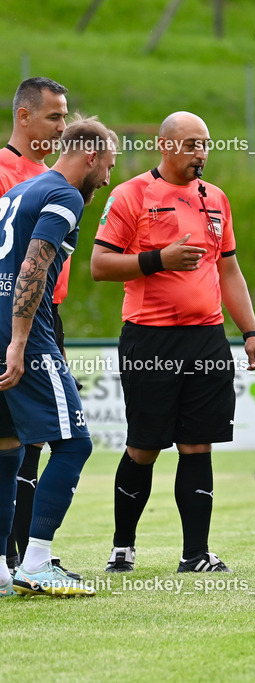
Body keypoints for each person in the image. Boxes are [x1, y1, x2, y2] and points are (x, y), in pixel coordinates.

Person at [91, 111, 255, 573]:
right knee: (144, 446)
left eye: (206, 144)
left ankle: (195, 554)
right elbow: (100, 265)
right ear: (166, 146)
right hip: (150, 340)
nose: (201, 153)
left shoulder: (217, 199)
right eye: (191, 144)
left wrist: (250, 332)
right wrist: (159, 260)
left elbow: (228, 269)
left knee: (198, 444)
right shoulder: (131, 194)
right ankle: (122, 547)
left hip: (207, 339)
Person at [0, 115, 118, 597]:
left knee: (7, 450)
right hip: (26, 333)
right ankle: (35, 561)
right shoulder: (64, 196)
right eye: (108, 165)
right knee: (74, 444)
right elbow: (34, 262)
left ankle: (2, 570)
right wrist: (20, 340)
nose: (108, 177)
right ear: (90, 157)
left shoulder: (16, 193)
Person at [0, 77, 76, 578]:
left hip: (44, 316)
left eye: (66, 117)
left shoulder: (48, 174)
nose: (62, 126)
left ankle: (17, 555)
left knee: (24, 445)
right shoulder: (7, 172)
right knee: (45, 442)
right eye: (53, 117)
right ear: (23, 116)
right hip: (16, 321)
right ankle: (24, 557)